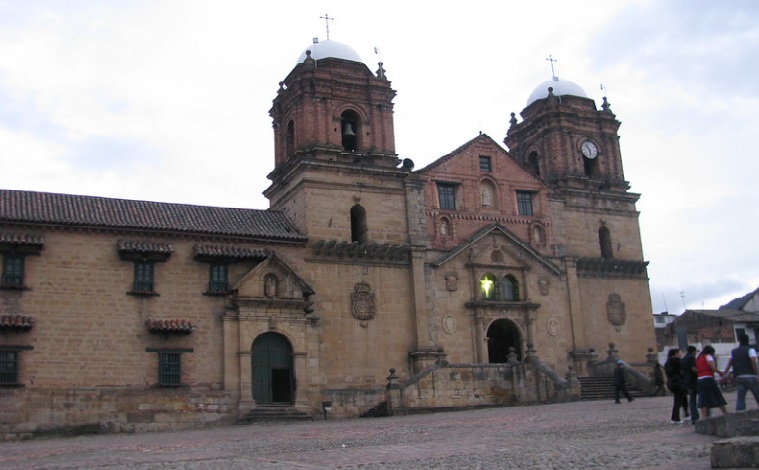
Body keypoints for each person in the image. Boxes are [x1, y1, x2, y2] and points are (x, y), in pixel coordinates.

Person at [721, 334, 759, 411]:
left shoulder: (734, 351)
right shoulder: (750, 350)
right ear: (748, 340)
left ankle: (739, 413)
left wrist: (724, 374)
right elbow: (753, 362)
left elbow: (729, 363)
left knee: (740, 398)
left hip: (739, 377)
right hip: (750, 376)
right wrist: (757, 374)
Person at [696, 345, 727, 418]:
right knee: (717, 395)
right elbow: (712, 367)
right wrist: (720, 372)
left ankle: (704, 416)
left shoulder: (699, 358)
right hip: (708, 378)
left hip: (700, 379)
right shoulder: (708, 356)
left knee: (703, 397)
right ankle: (725, 413)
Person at [664, 348, 688, 424]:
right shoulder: (676, 361)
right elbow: (681, 371)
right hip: (678, 383)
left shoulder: (668, 362)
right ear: (675, 354)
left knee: (679, 400)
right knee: (678, 401)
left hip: (672, 382)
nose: (680, 354)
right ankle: (676, 418)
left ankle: (683, 414)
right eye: (679, 352)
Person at [681, 345, 700, 424]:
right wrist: (699, 374)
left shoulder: (683, 359)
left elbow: (681, 371)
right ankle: (706, 414)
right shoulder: (692, 357)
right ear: (693, 351)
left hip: (687, 381)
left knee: (692, 400)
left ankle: (694, 418)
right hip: (694, 380)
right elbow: (693, 368)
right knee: (704, 396)